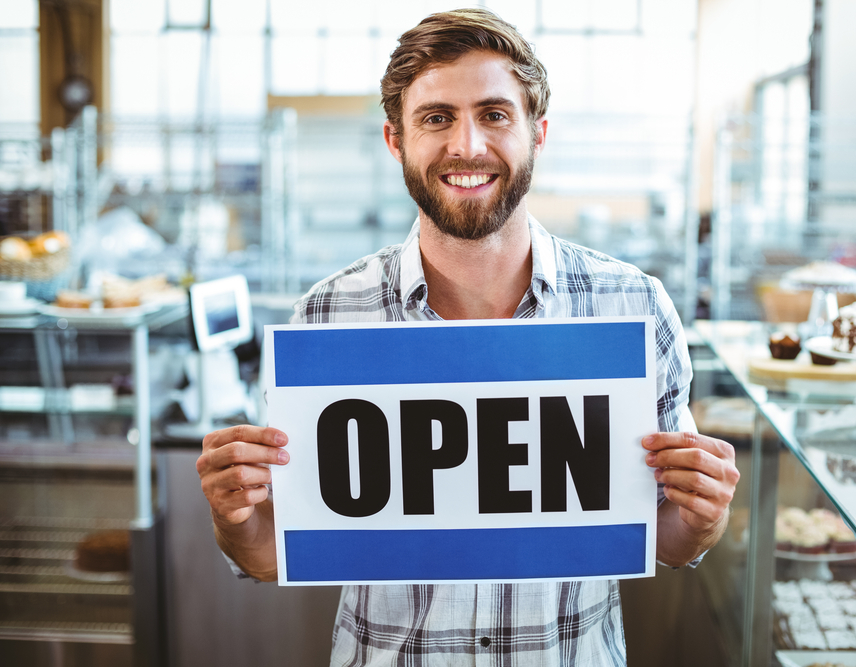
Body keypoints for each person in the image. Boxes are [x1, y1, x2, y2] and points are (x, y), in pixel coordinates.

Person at [197, 8, 740, 665]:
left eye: (494, 114)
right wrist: (236, 519)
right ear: (396, 140)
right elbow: (272, 552)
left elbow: (665, 538)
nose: (467, 146)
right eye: (436, 118)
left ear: (537, 132)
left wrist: (703, 515)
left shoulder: (632, 306)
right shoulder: (328, 315)